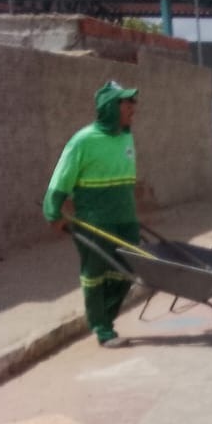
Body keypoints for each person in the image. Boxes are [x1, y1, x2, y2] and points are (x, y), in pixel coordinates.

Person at [43, 81, 142, 349]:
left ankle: (105, 318)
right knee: (95, 273)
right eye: (127, 102)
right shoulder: (83, 140)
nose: (133, 107)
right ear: (110, 107)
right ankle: (102, 328)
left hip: (126, 218)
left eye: (133, 102)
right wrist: (53, 210)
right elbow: (62, 177)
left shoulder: (126, 137)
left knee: (128, 269)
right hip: (95, 220)